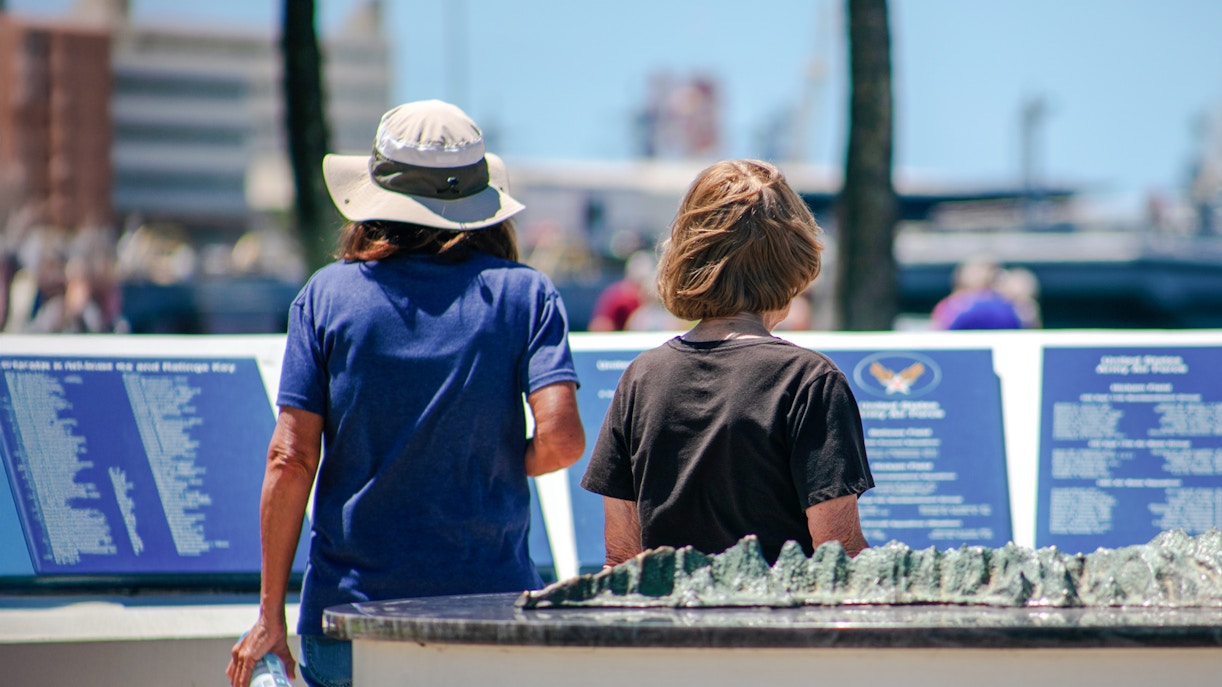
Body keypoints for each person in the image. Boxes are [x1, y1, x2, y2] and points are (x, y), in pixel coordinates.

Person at [227, 100, 586, 687]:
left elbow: (290, 458)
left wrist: (269, 617)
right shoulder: (526, 295)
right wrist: (502, 456)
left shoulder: (327, 297)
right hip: (491, 608)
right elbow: (564, 440)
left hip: (351, 617)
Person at [580, 159, 873, 567]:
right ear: (795, 257)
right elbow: (838, 553)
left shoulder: (641, 377)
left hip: (669, 622)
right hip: (772, 624)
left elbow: (622, 556)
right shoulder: (810, 381)